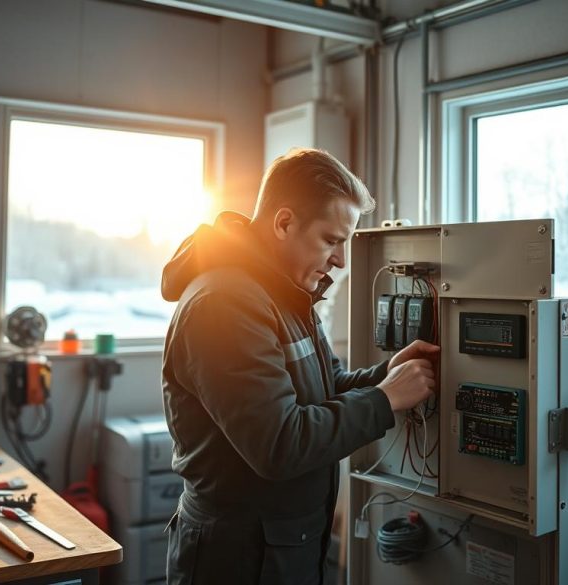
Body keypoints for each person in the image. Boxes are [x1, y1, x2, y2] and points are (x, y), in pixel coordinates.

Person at [160, 148, 439, 585]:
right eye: (331, 240)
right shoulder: (226, 304)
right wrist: (385, 399)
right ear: (284, 222)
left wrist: (386, 375)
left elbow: (326, 387)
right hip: (237, 559)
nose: (341, 260)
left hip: (284, 546)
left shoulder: (284, 295)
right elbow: (279, 443)